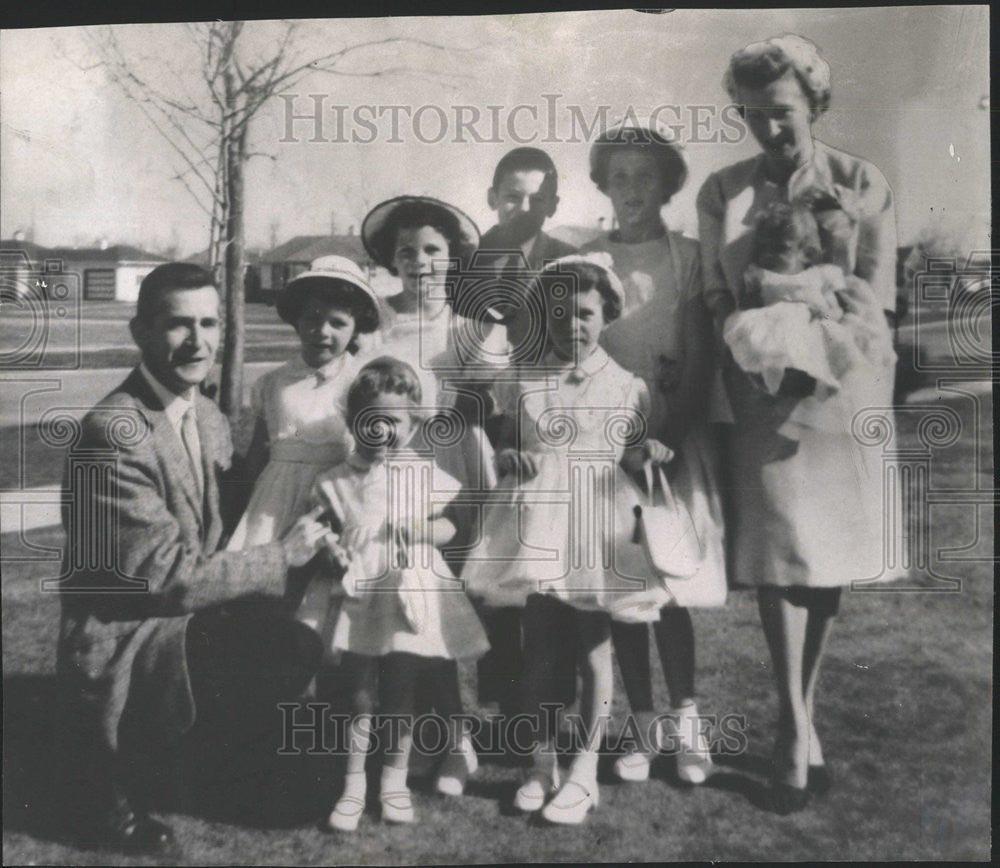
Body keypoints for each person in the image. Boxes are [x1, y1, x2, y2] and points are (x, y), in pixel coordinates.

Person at [55, 263, 331, 853]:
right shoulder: (114, 430)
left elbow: (228, 527)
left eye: (209, 323)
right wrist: (283, 555)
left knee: (300, 661)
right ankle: (122, 787)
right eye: (178, 325)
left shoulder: (203, 413)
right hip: (130, 637)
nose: (198, 341)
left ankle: (200, 760)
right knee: (282, 651)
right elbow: (170, 580)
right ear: (140, 332)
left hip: (191, 623)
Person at [696, 34, 902, 814]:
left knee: (824, 556)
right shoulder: (724, 190)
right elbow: (718, 295)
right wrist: (749, 338)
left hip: (839, 388)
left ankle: (803, 714)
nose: (768, 130)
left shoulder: (861, 181)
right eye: (752, 115)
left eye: (780, 113)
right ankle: (791, 721)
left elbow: (873, 294)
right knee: (779, 554)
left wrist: (819, 316)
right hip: (757, 390)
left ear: (813, 103)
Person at [464, 255, 672, 825]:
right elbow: (508, 447)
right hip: (540, 524)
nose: (571, 325)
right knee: (538, 650)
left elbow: (627, 455)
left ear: (606, 314)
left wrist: (646, 453)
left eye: (583, 313)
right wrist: (509, 457)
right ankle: (540, 764)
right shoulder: (523, 380)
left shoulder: (628, 386)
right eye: (559, 313)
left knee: (592, 649)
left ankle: (584, 770)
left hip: (597, 529)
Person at [582, 126, 727, 786]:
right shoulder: (585, 260)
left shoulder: (688, 256)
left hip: (672, 439)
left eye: (646, 177)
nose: (632, 189)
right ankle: (640, 726)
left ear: (669, 185)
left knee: (669, 589)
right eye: (620, 177)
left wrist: (671, 434)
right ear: (603, 185)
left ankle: (688, 724)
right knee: (625, 591)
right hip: (607, 448)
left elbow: (700, 356)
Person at [318, 357, 489, 831]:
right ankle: (352, 785)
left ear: (412, 425)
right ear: (354, 422)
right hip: (360, 594)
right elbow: (323, 527)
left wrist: (423, 530)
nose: (381, 430)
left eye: (393, 421)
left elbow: (454, 526)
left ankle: (393, 782)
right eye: (370, 420)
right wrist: (330, 544)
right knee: (357, 697)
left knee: (400, 692)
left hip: (411, 589)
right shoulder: (338, 478)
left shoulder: (423, 473)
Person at [472, 146, 580, 724]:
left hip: (543, 430)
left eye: (537, 198)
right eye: (512, 195)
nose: (523, 206)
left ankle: (547, 708)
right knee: (490, 573)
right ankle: (502, 705)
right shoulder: (469, 262)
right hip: (482, 428)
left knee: (544, 578)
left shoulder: (568, 261)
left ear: (554, 205)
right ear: (492, 197)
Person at [226, 255, 382, 635]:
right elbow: (259, 452)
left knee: (330, 610)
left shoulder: (363, 381)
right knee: (273, 607)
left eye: (337, 323)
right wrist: (240, 510)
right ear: (296, 320)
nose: (322, 332)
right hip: (275, 504)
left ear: (356, 326)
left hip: (338, 500)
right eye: (311, 319)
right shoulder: (274, 382)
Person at [722, 201, 896, 428]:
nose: (769, 255)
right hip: (773, 325)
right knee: (763, 349)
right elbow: (748, 304)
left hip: (814, 324)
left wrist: (823, 314)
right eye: (764, 247)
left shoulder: (819, 275)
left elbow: (834, 311)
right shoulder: (758, 274)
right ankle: (779, 388)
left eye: (781, 248)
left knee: (838, 343)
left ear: (807, 253)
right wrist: (752, 307)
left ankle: (825, 384)